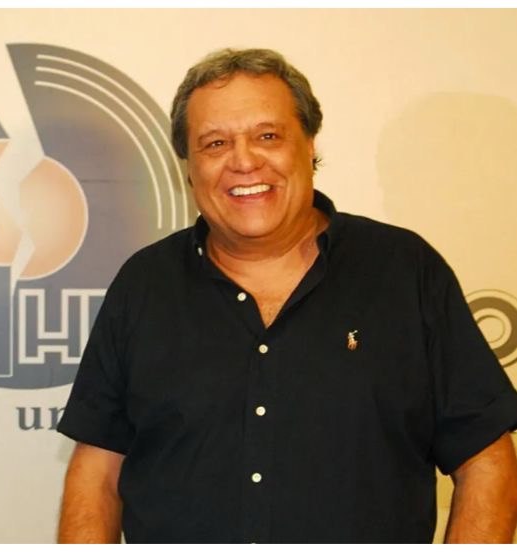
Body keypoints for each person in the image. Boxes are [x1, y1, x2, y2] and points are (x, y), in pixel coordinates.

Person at [55, 47, 517, 543]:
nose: (244, 161)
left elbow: (486, 456)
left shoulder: (405, 271)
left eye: (268, 136)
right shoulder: (143, 285)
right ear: (188, 167)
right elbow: (98, 473)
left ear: (309, 145)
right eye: (215, 143)